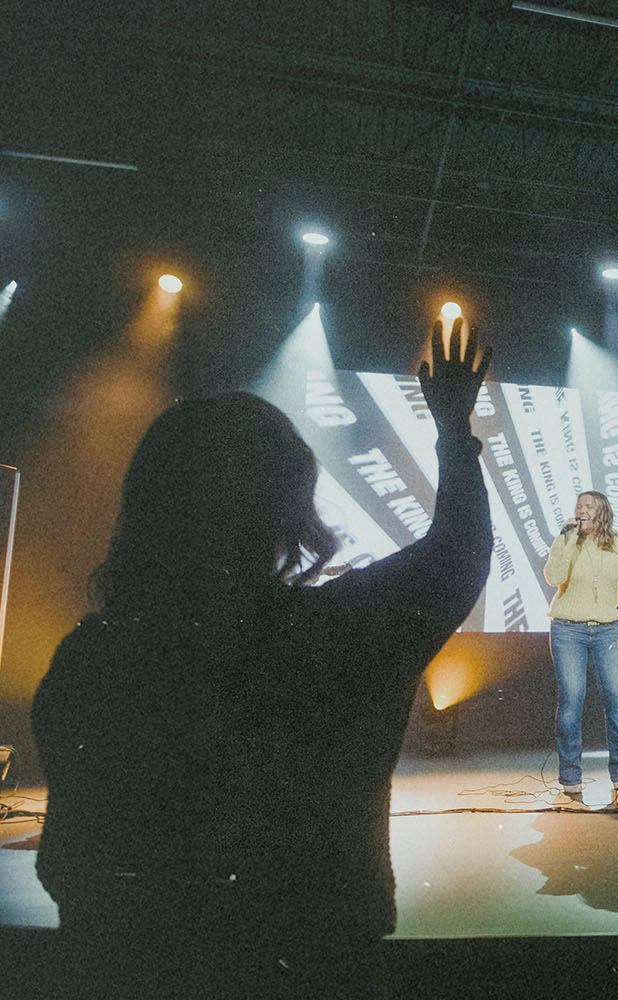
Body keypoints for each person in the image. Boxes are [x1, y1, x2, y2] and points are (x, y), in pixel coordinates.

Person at [30, 320, 492, 999]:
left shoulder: (91, 658)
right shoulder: (330, 637)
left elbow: (65, 861)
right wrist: (454, 431)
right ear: (289, 509)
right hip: (310, 963)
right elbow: (457, 556)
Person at [544, 489, 618, 810]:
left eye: (588, 506)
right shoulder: (567, 540)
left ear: (602, 512)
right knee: (571, 703)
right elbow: (553, 576)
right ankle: (571, 789)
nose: (581, 510)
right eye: (578, 506)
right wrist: (568, 541)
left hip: (608, 628)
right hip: (568, 629)